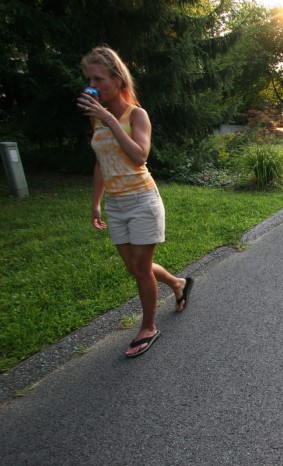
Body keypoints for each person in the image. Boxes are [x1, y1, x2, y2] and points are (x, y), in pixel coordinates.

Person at [77, 46, 194, 358]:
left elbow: (140, 155)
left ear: (117, 80)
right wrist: (96, 203)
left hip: (142, 200)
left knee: (141, 269)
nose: (93, 84)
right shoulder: (96, 120)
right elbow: (101, 162)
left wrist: (108, 119)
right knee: (134, 267)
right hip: (115, 205)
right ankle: (178, 283)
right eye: (89, 78)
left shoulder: (135, 115)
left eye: (99, 78)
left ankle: (149, 327)